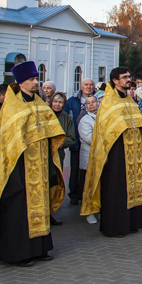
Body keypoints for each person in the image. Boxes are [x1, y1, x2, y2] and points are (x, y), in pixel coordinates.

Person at [0, 61, 65, 267]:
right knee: (18, 211)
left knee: (39, 206)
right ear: (20, 82)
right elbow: (6, 143)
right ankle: (18, 253)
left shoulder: (40, 104)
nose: (36, 83)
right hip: (18, 168)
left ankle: (39, 248)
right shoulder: (11, 108)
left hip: (39, 166)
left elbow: (52, 131)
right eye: (32, 79)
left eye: (36, 79)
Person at [81, 67, 142, 237]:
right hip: (116, 155)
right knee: (116, 190)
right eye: (125, 77)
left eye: (129, 76)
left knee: (132, 188)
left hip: (133, 152)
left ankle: (131, 223)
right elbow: (105, 131)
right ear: (115, 80)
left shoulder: (129, 100)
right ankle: (115, 227)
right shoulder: (108, 102)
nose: (129, 80)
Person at [64, 77, 97, 205]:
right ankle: (74, 194)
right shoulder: (73, 101)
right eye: (86, 85)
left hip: (91, 144)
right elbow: (67, 117)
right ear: (81, 86)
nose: (88, 87)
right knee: (76, 168)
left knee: (88, 171)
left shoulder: (98, 99)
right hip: (76, 139)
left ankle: (86, 195)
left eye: (91, 85)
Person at [76, 96, 99, 222]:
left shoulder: (102, 117)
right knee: (89, 186)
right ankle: (89, 211)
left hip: (101, 157)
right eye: (88, 103)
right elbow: (89, 139)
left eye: (93, 102)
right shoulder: (85, 120)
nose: (91, 105)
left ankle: (98, 208)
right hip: (89, 157)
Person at [50, 92, 77, 176]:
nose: (57, 104)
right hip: (45, 153)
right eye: (55, 102)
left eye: (60, 102)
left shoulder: (67, 118)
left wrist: (62, 142)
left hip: (59, 153)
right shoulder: (45, 115)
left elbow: (72, 138)